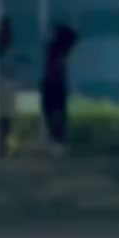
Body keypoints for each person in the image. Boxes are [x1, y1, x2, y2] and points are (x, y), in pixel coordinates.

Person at [41, 23, 77, 151]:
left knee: (56, 116)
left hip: (54, 85)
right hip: (54, 85)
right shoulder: (57, 50)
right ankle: (56, 141)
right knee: (55, 116)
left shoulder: (57, 49)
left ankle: (56, 141)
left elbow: (74, 37)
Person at [0, 16, 18, 157]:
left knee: (5, 117)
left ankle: (5, 147)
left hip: (6, 82)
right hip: (5, 82)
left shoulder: (4, 45)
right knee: (5, 117)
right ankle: (4, 147)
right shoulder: (2, 45)